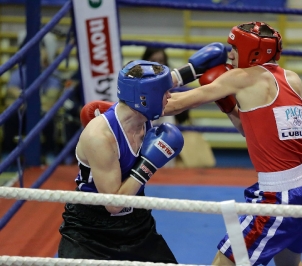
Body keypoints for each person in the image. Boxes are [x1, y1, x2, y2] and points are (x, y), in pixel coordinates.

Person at [165, 22, 302, 266]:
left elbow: (173, 104)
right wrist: (228, 106)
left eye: (235, 48)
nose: (229, 54)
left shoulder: (242, 78)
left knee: (224, 263)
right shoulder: (293, 79)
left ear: (254, 52)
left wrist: (173, 78)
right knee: (289, 264)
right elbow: (255, 132)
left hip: (279, 198)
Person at [58, 42, 227, 262]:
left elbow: (177, 96)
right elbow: (114, 204)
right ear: (145, 99)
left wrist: (196, 71)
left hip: (137, 223)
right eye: (164, 93)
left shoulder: (142, 108)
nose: (170, 96)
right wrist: (148, 163)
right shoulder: (100, 137)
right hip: (90, 231)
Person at [1, 30, 62, 166]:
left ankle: (49, 152)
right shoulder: (21, 72)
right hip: (23, 114)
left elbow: (50, 102)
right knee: (10, 116)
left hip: (40, 114)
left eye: (41, 50)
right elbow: (10, 97)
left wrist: (24, 98)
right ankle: (7, 152)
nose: (37, 54)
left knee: (48, 116)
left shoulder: (52, 74)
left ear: (48, 53)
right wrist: (32, 100)